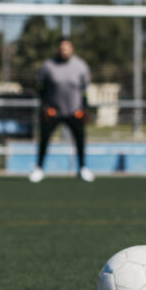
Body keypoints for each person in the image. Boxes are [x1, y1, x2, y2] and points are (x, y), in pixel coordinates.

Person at [29, 36, 94, 182]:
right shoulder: (47, 66)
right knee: (44, 139)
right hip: (53, 111)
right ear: (58, 49)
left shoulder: (80, 66)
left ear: (71, 48)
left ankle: (83, 168)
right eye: (62, 48)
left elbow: (85, 90)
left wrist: (83, 109)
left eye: (67, 48)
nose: (64, 50)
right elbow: (40, 89)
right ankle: (39, 169)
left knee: (80, 139)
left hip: (74, 111)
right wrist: (46, 107)